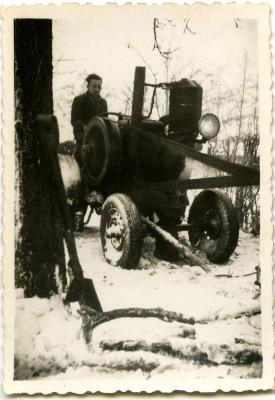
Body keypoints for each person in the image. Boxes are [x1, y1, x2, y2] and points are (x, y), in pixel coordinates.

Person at [71, 73, 108, 167]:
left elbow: (105, 121)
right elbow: (75, 121)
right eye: (94, 86)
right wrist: (86, 128)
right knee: (82, 160)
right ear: (88, 86)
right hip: (83, 138)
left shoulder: (103, 103)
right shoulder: (79, 100)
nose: (96, 89)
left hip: (98, 139)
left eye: (99, 87)